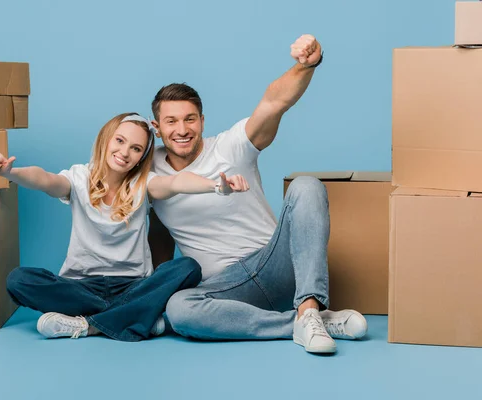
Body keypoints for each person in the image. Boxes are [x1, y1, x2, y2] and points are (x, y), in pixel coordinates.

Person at [148, 35, 368, 353]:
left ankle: (309, 308)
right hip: (226, 288)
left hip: (275, 265)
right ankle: (305, 323)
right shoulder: (149, 172)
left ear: (202, 121)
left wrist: (306, 65)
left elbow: (274, 102)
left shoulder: (230, 145)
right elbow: (159, 235)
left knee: (307, 185)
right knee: (180, 308)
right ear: (157, 127)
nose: (181, 129)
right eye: (171, 121)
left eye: (189, 119)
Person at [0, 113, 250, 342]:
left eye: (135, 148)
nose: (124, 152)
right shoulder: (78, 178)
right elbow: (44, 180)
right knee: (18, 280)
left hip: (133, 286)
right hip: (80, 287)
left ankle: (90, 326)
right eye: (120, 141)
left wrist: (216, 186)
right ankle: (136, 317)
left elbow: (176, 183)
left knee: (187, 267)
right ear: (106, 139)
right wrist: (8, 173)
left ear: (141, 157)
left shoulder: (144, 184)